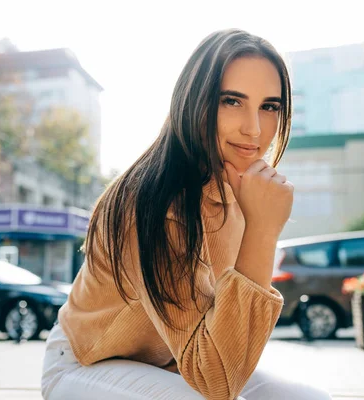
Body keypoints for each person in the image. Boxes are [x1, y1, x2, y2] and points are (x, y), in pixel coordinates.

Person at [41, 28, 332, 400]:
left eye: (269, 106)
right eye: (231, 101)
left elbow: (226, 360)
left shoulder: (240, 188)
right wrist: (262, 230)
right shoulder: (149, 201)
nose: (254, 128)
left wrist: (257, 223)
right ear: (195, 102)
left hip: (172, 362)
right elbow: (216, 383)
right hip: (85, 362)